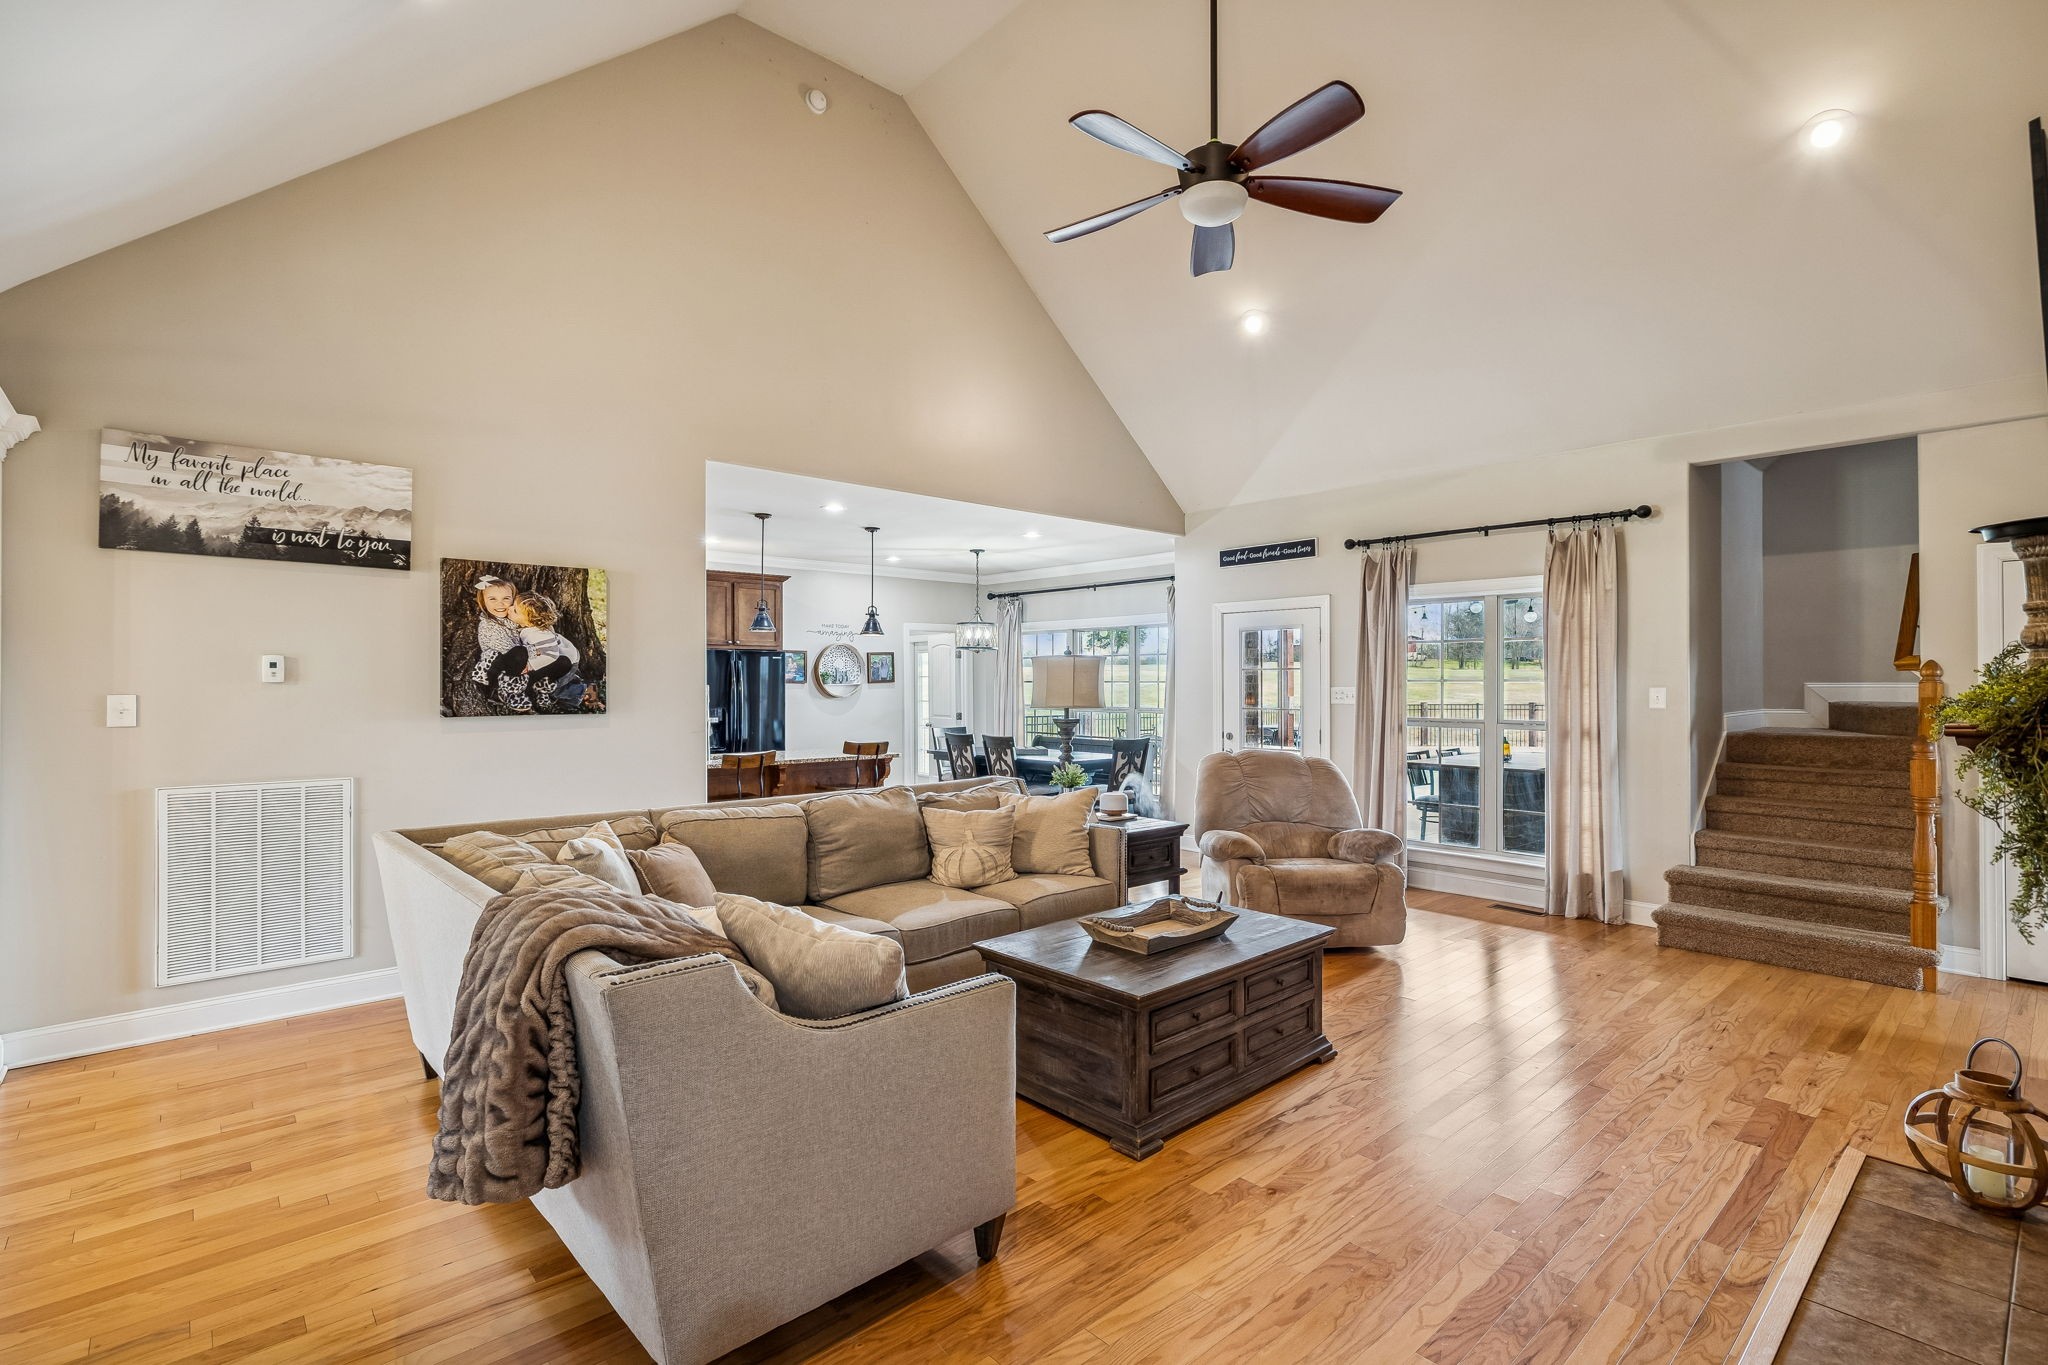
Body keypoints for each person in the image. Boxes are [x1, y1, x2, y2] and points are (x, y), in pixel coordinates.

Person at [512, 590, 588, 712]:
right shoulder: (532, 626)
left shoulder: (536, 634)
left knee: (553, 687)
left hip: (565, 660)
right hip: (564, 655)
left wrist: (529, 666)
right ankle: (574, 680)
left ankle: (580, 693)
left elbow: (549, 656)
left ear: (528, 621)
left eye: (514, 610)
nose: (509, 609)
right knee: (559, 679)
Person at [468, 575, 533, 713]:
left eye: (506, 599)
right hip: (498, 669)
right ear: (483, 602)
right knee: (520, 652)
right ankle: (508, 692)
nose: (500, 604)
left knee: (561, 662)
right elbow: (509, 651)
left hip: (519, 663)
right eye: (492, 599)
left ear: (514, 600)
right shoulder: (488, 625)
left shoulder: (514, 620)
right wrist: (535, 656)